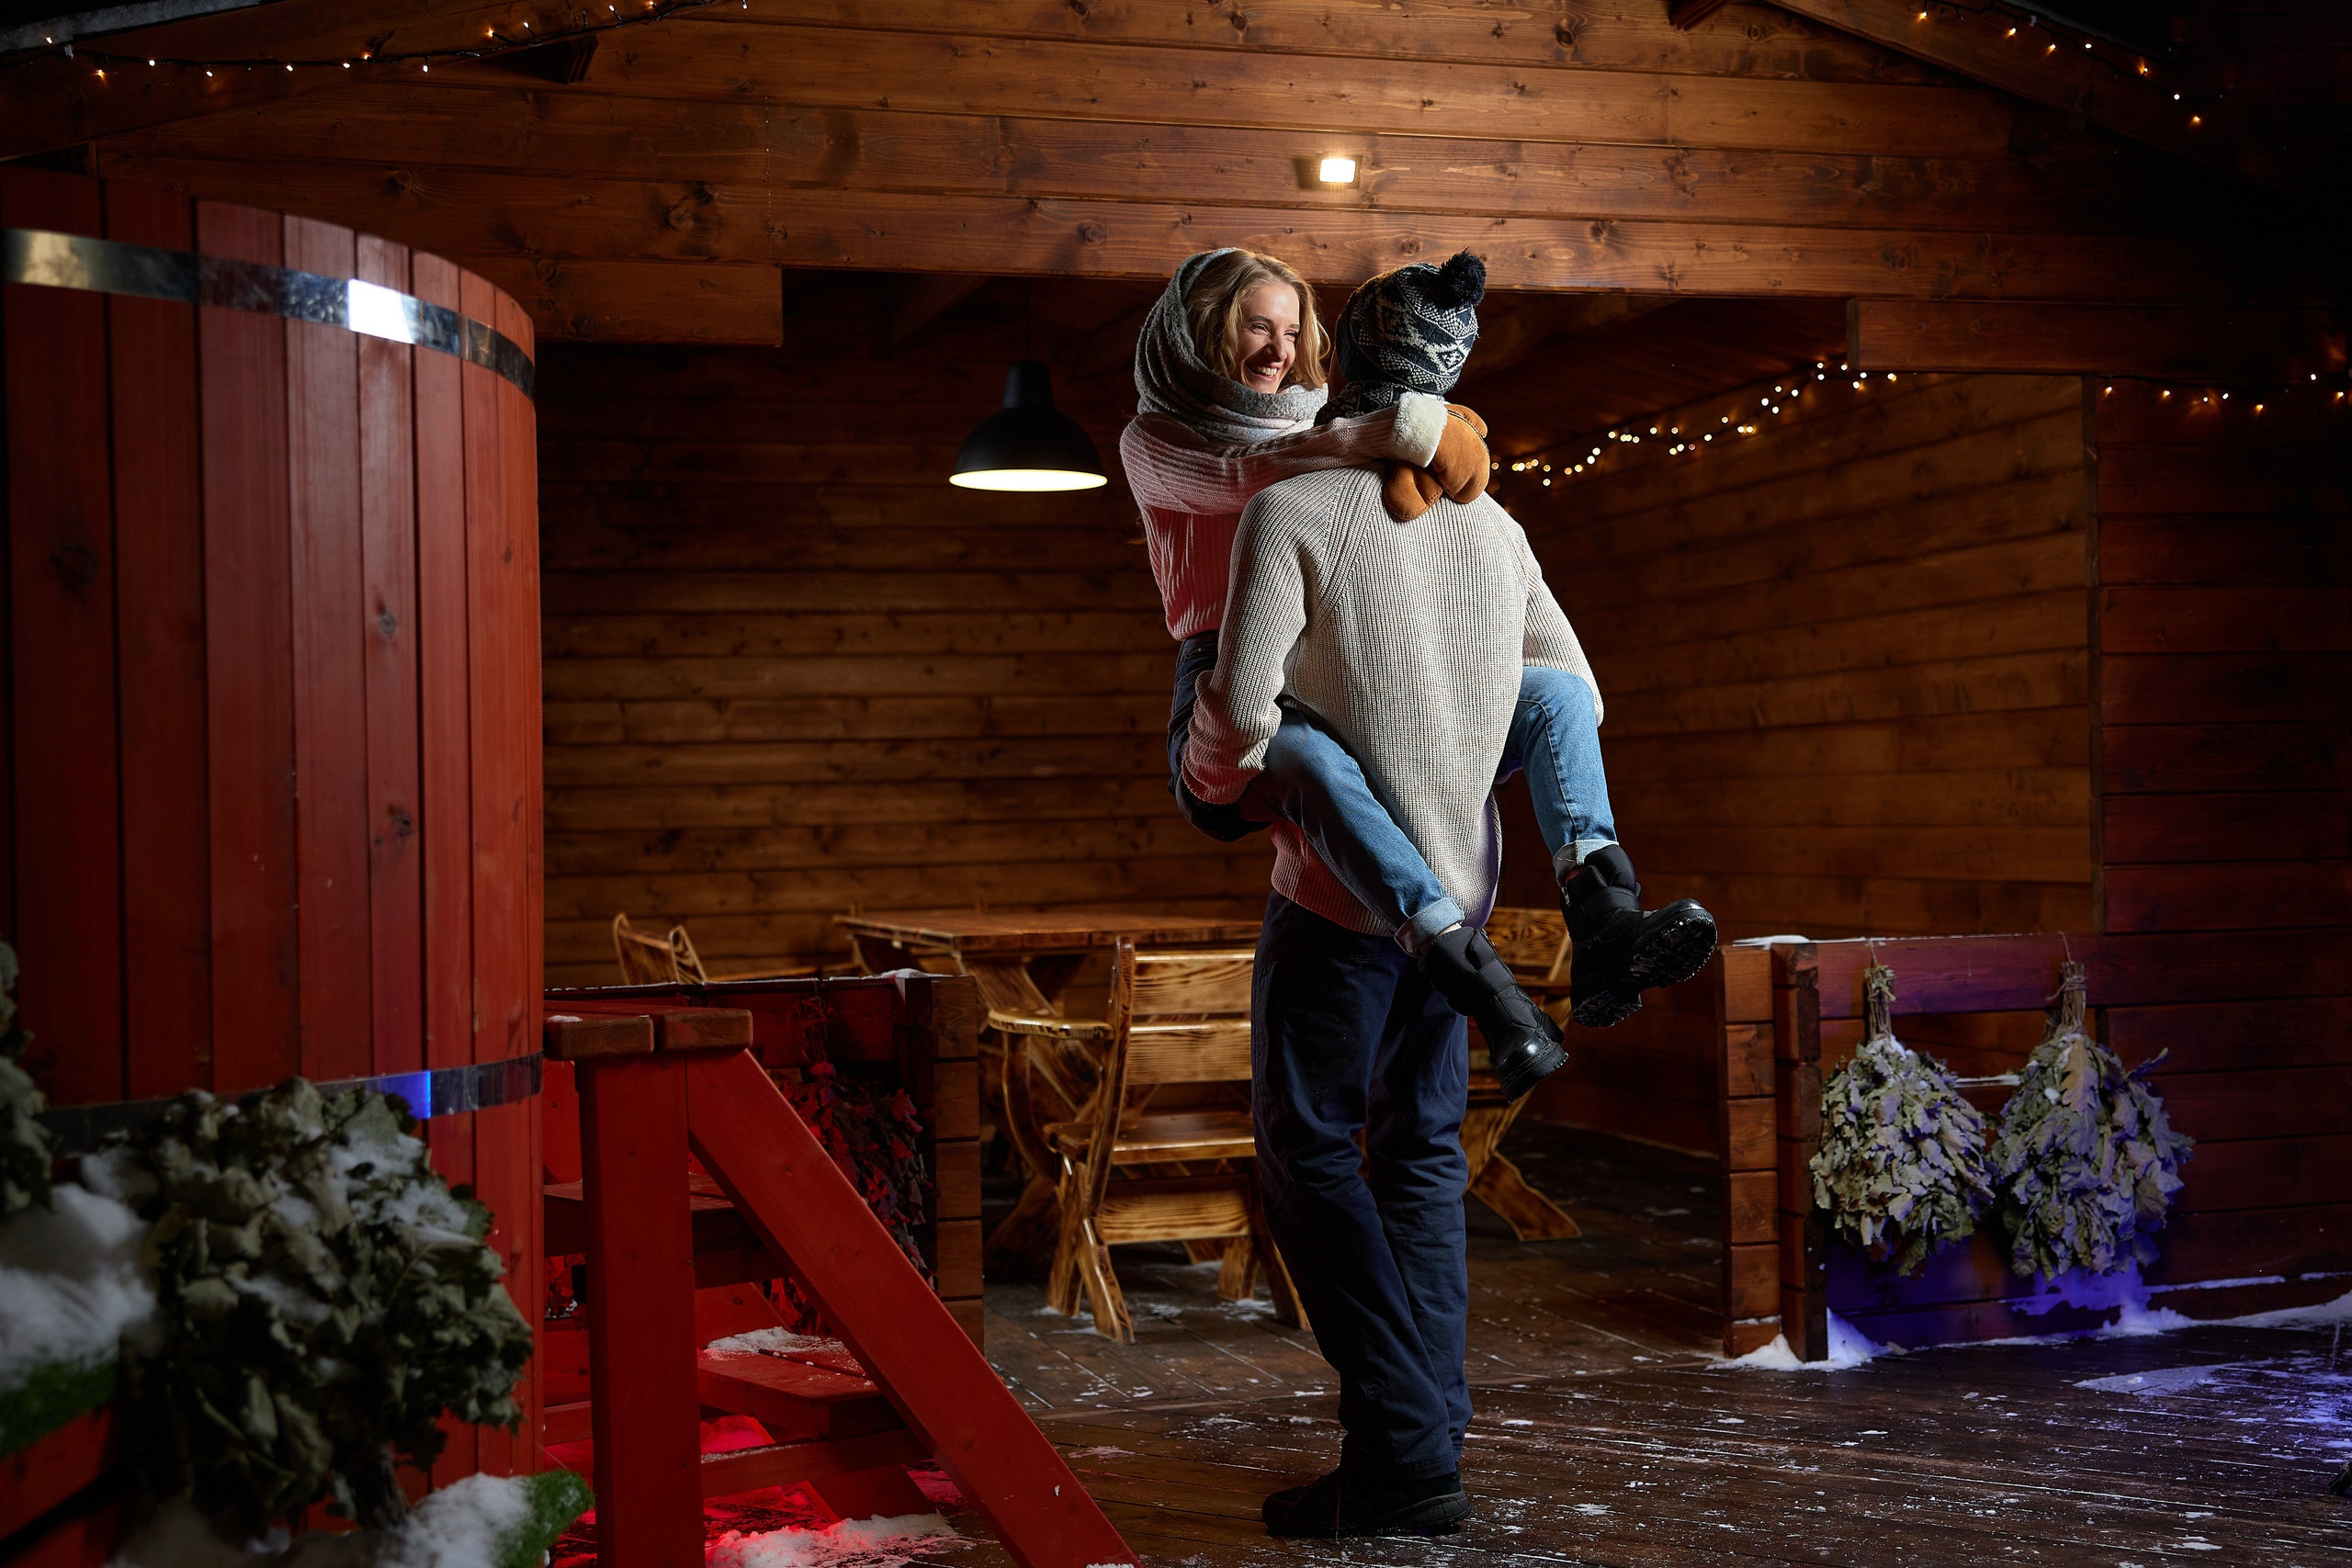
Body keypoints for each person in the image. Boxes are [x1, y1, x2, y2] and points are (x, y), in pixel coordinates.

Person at [1179, 253, 1714, 1538]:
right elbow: (1566, 687)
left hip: (1338, 905)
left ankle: (1406, 1440)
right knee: (1419, 1163)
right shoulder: (1496, 525)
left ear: (1346, 370)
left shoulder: (1293, 512)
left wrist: (1214, 756)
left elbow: (1247, 720)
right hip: (1463, 892)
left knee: (1309, 1157)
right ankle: (1421, 1449)